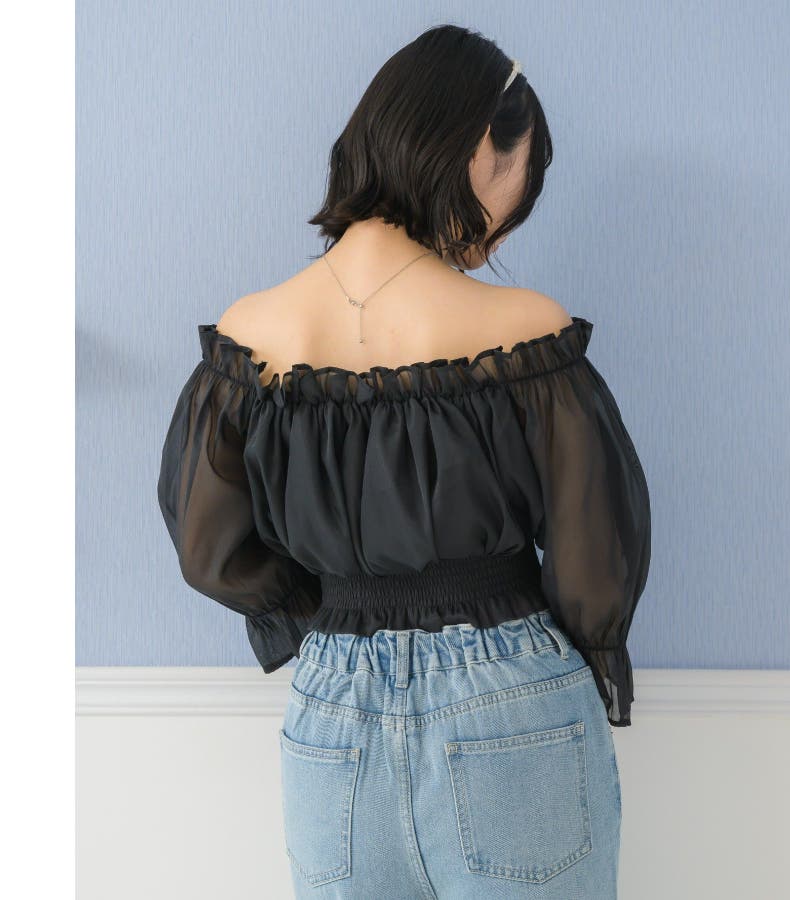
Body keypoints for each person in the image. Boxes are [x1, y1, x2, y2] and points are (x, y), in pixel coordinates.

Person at [157, 24, 650, 900]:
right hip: (511, 697)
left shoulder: (248, 338)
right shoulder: (525, 332)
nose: (512, 213)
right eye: (521, 173)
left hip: (333, 713)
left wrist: (330, 615)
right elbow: (594, 556)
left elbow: (209, 550)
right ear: (480, 145)